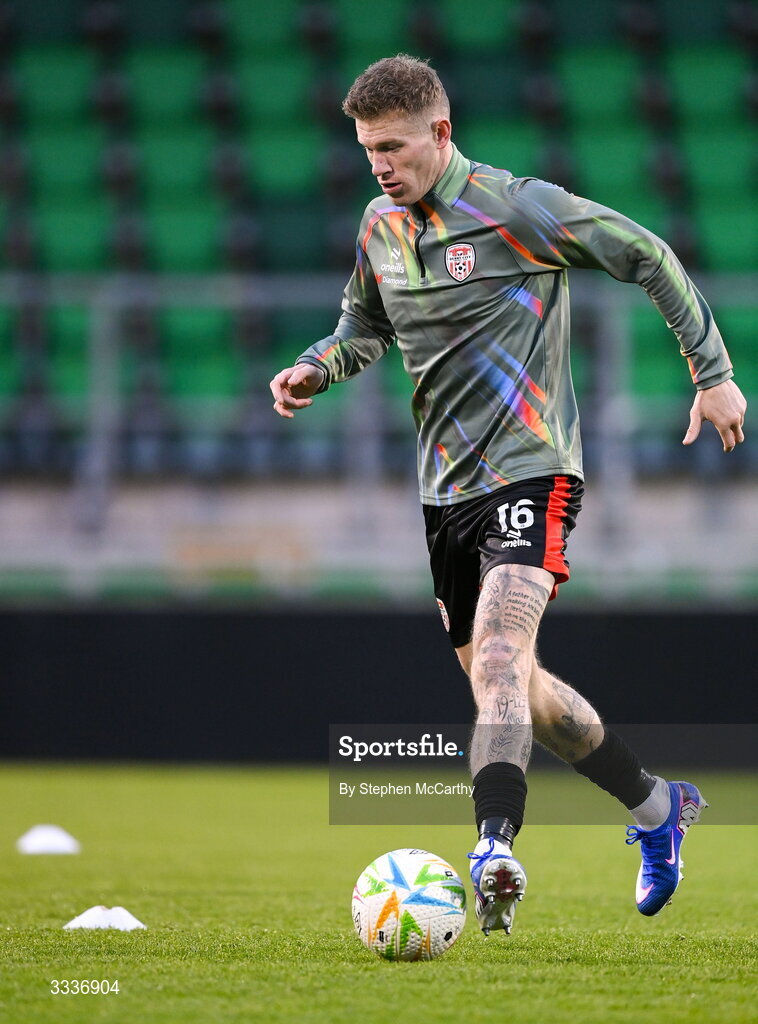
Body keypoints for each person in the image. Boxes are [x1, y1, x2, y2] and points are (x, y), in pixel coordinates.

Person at [270, 55, 747, 937]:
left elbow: (645, 252)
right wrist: (318, 366)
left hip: (532, 470)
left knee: (497, 655)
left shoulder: (515, 208)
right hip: (443, 493)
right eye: (369, 148)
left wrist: (711, 374)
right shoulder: (381, 225)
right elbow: (363, 324)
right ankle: (655, 809)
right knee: (516, 688)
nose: (380, 163)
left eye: (395, 146)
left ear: (440, 133)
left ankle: (493, 850)